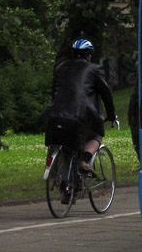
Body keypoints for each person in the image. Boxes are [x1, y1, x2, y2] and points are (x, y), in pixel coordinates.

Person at [43, 39, 118, 173]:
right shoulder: (94, 69)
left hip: (56, 115)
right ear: (89, 56)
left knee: (65, 143)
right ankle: (84, 161)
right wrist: (111, 115)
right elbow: (106, 94)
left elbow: (54, 92)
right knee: (96, 136)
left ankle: (63, 180)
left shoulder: (59, 68)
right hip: (82, 115)